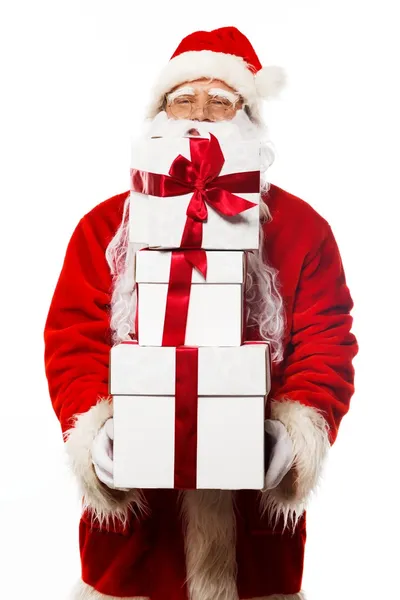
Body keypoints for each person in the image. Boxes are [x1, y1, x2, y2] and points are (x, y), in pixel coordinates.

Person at [44, 26, 358, 600]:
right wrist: (94, 434)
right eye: (183, 100)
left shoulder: (302, 228)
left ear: (249, 119)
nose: (199, 117)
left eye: (221, 102)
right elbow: (73, 337)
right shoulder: (103, 227)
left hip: (251, 529)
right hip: (138, 530)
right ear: (159, 114)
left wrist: (295, 433)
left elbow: (328, 339)